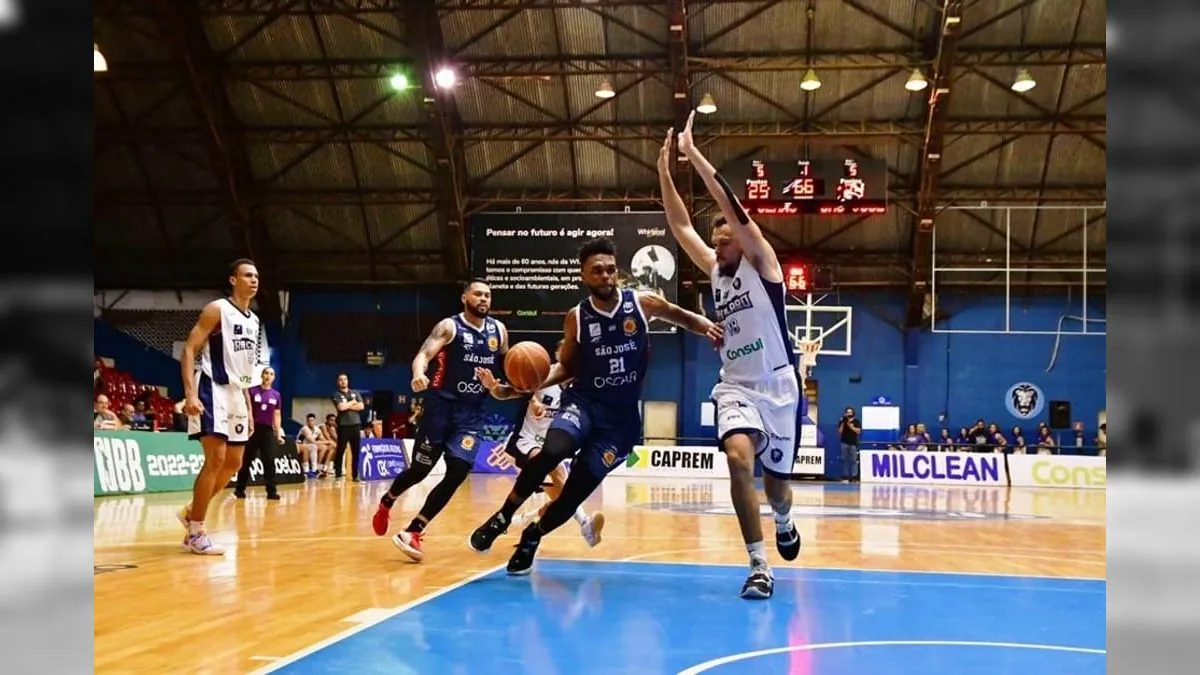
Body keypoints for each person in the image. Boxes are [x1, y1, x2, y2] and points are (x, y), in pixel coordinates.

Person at [467, 237, 721, 575]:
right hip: (584, 403)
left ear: (617, 272)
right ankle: (502, 517)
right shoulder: (577, 318)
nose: (605, 276)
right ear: (584, 276)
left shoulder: (642, 303)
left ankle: (533, 535)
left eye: (610, 269)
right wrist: (526, 385)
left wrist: (712, 330)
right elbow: (566, 368)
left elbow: (684, 318)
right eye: (596, 271)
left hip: (620, 423)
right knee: (551, 451)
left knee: (573, 494)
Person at [657, 113, 802, 599]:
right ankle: (759, 564)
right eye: (714, 242)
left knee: (778, 487)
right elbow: (679, 226)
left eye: (724, 241)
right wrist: (665, 173)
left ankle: (783, 518)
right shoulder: (718, 269)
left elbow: (731, 206)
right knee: (739, 460)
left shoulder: (764, 265)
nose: (716, 248)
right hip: (736, 385)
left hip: (779, 387)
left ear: (743, 239)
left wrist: (694, 156)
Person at [369, 279, 510, 562]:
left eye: (488, 295)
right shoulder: (450, 326)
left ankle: (414, 530)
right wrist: (418, 374)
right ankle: (387, 500)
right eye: (478, 294)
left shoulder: (500, 332)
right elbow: (423, 354)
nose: (483, 299)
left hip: (471, 415)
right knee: (420, 470)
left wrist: (495, 386)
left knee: (458, 471)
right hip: (440, 409)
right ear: (464, 298)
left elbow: (505, 382)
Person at [175, 259, 264, 555]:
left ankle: (191, 511)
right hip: (212, 387)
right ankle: (196, 531)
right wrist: (190, 394)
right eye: (247, 275)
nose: (253, 280)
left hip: (238, 393)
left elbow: (246, 370)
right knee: (215, 460)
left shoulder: (254, 320)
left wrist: (249, 407)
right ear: (233, 279)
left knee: (234, 464)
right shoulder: (217, 309)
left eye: (256, 276)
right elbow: (189, 349)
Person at [481, 340, 604, 545]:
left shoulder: (582, 385)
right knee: (554, 473)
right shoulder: (539, 373)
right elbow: (508, 392)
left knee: (562, 496)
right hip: (527, 441)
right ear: (558, 355)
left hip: (554, 445)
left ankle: (520, 520)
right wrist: (494, 388)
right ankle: (585, 525)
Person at [234, 366, 284, 499]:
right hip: (252, 430)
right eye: (266, 373)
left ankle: (271, 491)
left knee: (269, 460)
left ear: (274, 378)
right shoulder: (252, 391)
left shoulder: (276, 395)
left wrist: (278, 433)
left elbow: (277, 415)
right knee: (247, 460)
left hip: (267, 431)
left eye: (271, 374)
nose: (268, 376)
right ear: (262, 375)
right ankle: (239, 489)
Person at [331, 373, 365, 481]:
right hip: (343, 426)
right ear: (338, 382)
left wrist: (348, 405)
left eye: (345, 379)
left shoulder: (355, 392)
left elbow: (361, 406)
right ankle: (338, 474)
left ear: (348, 381)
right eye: (340, 380)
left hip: (355, 425)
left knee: (355, 451)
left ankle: (355, 475)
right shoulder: (336, 394)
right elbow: (340, 407)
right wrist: (353, 402)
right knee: (341, 450)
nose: (343, 381)